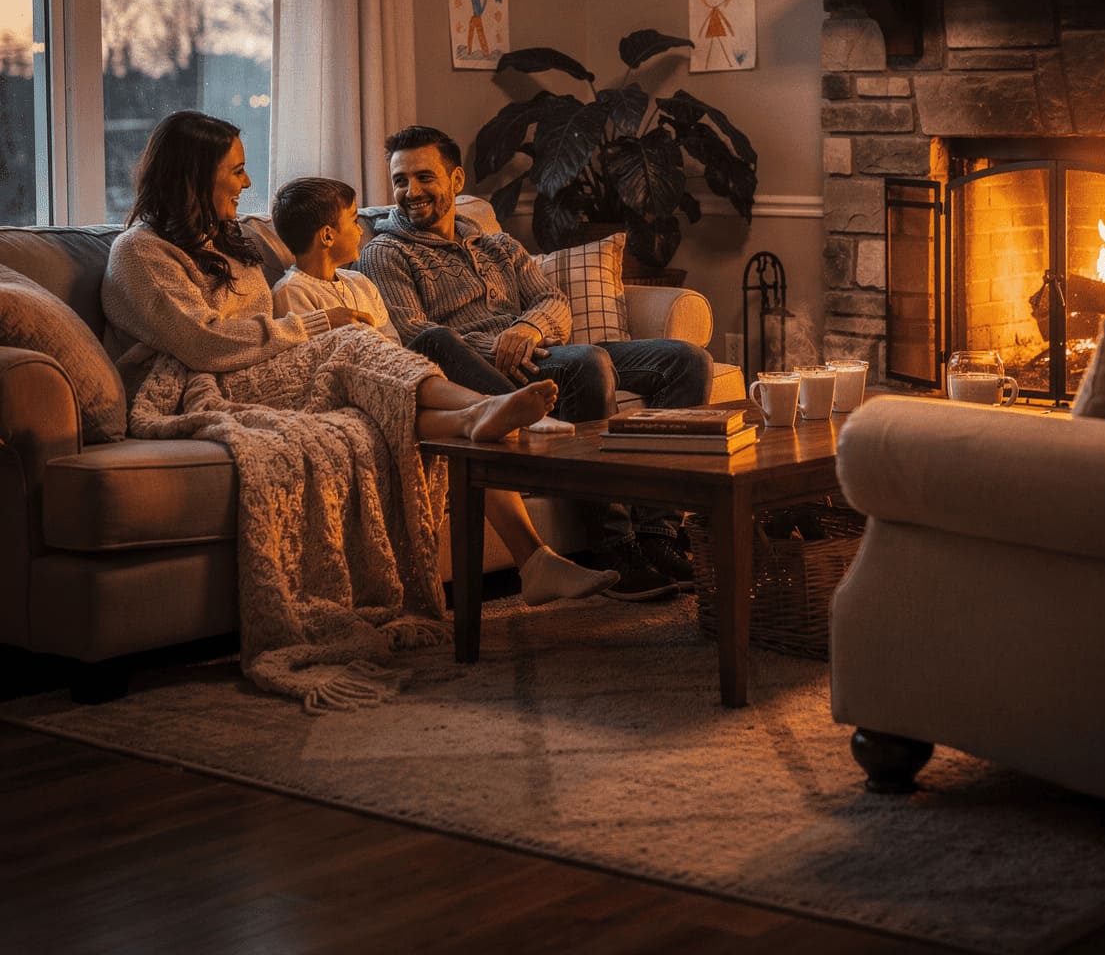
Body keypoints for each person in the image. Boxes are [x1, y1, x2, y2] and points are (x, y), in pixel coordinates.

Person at [98, 113, 596, 708]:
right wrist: (316, 323)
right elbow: (204, 342)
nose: (247, 180)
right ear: (194, 175)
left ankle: (532, 554)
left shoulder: (227, 245)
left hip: (264, 372)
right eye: (235, 170)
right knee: (351, 343)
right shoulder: (139, 253)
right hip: (197, 387)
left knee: (379, 407)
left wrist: (306, 331)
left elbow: (261, 332)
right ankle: (479, 410)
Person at [358, 126, 713, 600]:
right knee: (588, 363)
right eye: (400, 180)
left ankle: (658, 534)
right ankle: (613, 545)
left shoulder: (497, 245)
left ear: (456, 179)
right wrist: (498, 348)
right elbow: (415, 339)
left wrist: (528, 330)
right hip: (481, 375)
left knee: (686, 361)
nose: (410, 192)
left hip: (542, 349)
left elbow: (554, 300)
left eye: (425, 177)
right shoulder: (386, 252)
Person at [269, 175, 619, 606]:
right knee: (438, 362)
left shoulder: (358, 284)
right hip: (352, 396)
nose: (361, 229)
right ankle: (496, 412)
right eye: (351, 222)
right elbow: (323, 366)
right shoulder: (292, 293)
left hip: (392, 384)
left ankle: (535, 560)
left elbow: (391, 349)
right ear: (327, 235)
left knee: (466, 434)